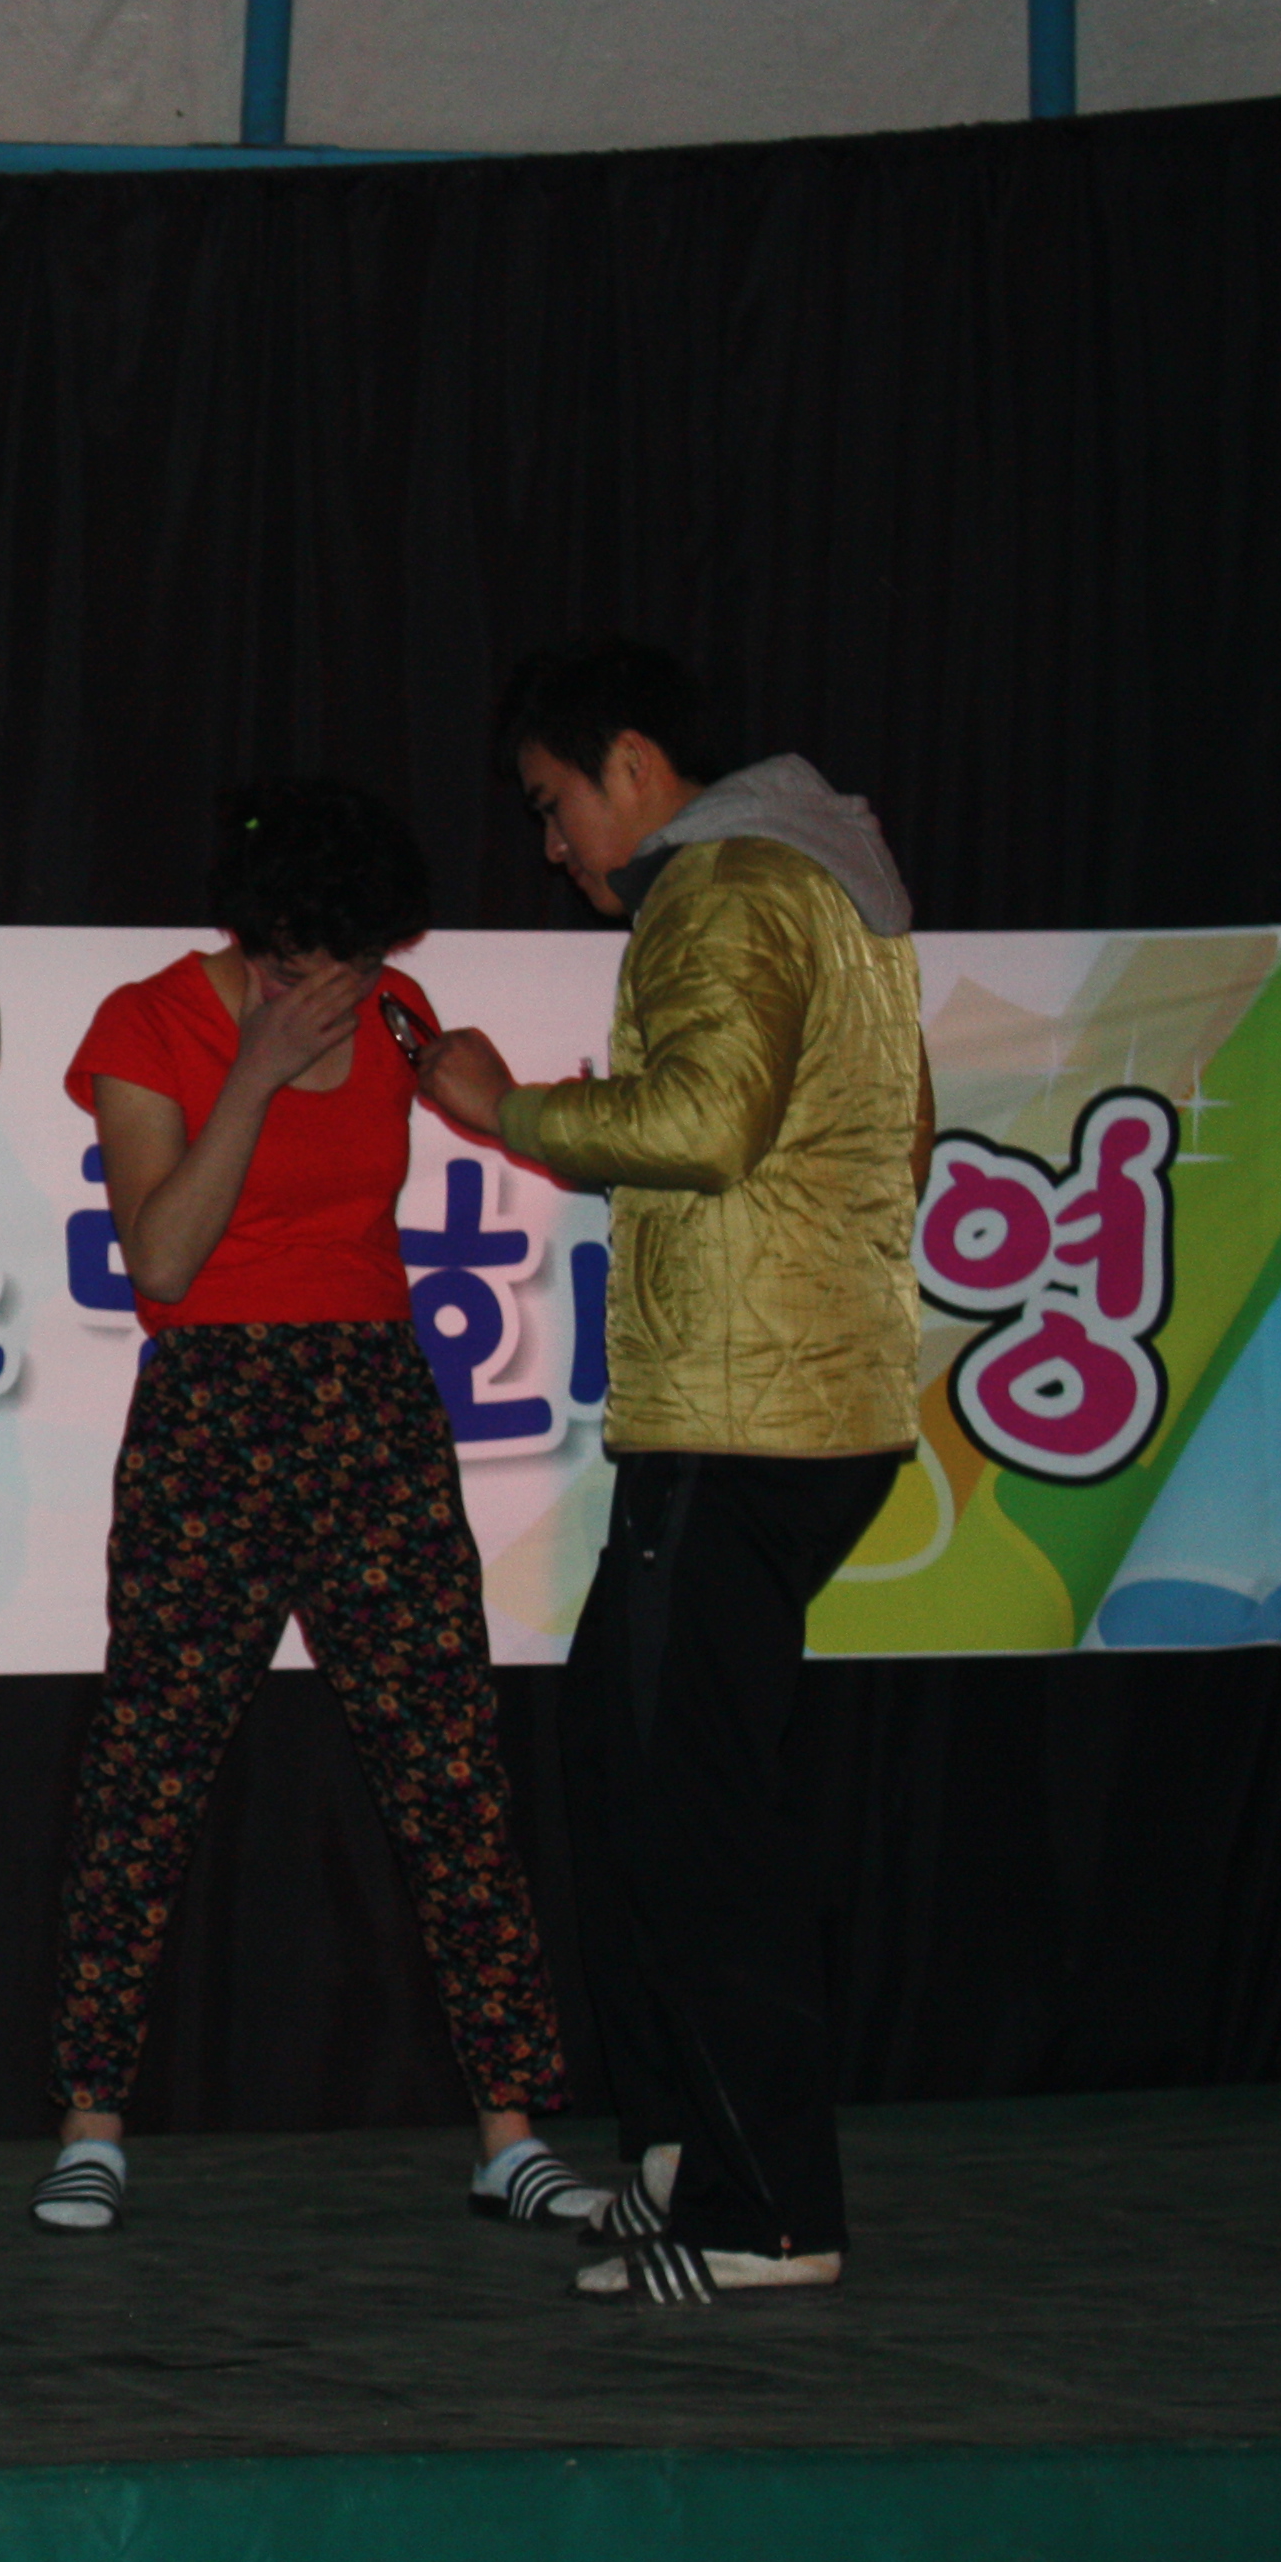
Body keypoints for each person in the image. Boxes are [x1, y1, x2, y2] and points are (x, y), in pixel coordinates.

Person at [417, 641, 926, 2306]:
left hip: (743, 1414)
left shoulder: (725, 884)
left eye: (551, 802)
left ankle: (765, 2210)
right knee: (634, 1772)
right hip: (795, 1399)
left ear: (631, 765)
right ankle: (688, 2163)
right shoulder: (824, 887)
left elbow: (704, 1128)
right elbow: (879, 1134)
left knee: (692, 1818)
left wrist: (506, 1109)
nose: (552, 844)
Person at [30, 780, 596, 2240]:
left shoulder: (397, 1012)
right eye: (297, 960)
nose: (326, 986)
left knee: (449, 1766)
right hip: (214, 1402)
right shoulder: (152, 1022)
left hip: (374, 1399)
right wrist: (257, 1074)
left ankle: (512, 2131)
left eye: (351, 959)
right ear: (251, 929)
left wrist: (509, 1096)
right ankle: (91, 2123)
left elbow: (504, 1127)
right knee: (149, 1769)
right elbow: (162, 1260)